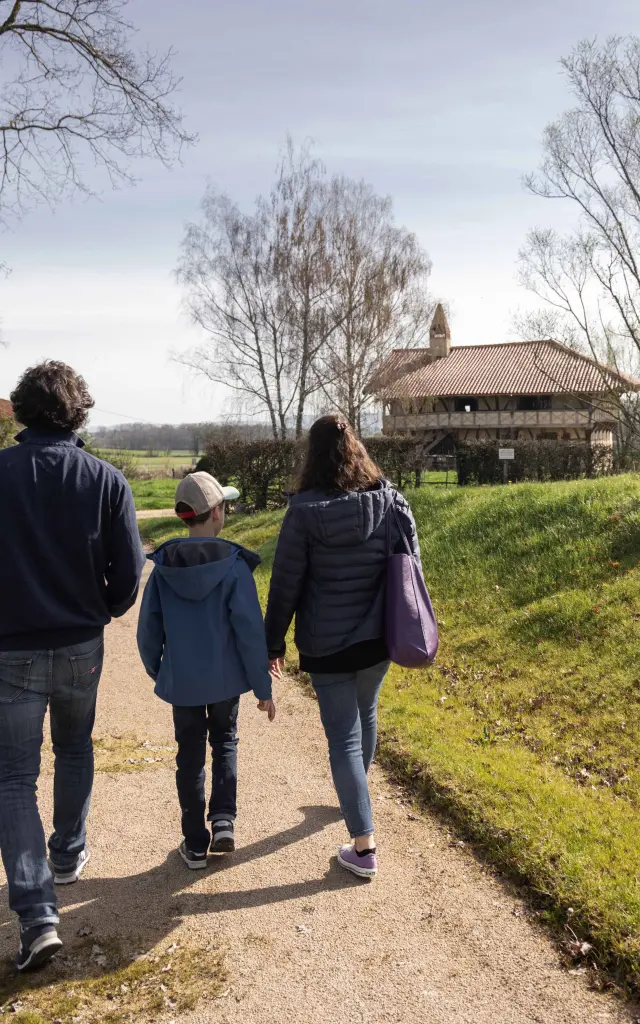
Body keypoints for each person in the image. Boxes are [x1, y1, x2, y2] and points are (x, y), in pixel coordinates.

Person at [0, 361, 145, 971]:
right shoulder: (106, 481)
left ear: (20, 410)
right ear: (79, 412)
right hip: (81, 643)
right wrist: (99, 609)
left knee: (13, 777)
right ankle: (66, 854)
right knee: (75, 748)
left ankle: (37, 917)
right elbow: (129, 575)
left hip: (11, 646)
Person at [265, 415, 421, 880]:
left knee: (343, 738)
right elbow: (411, 568)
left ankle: (364, 847)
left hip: (327, 643)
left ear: (311, 456)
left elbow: (285, 584)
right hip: (378, 638)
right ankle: (357, 796)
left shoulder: (303, 513)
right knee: (366, 715)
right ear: (355, 448)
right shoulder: (390, 501)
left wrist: (273, 642)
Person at [136, 471, 276, 871]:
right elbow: (250, 633)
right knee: (225, 742)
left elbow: (148, 631)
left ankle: (195, 844)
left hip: (183, 681)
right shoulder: (234, 567)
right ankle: (224, 820)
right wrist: (263, 688)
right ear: (216, 513)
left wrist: (159, 671)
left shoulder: (163, 568)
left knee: (190, 755)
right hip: (225, 681)